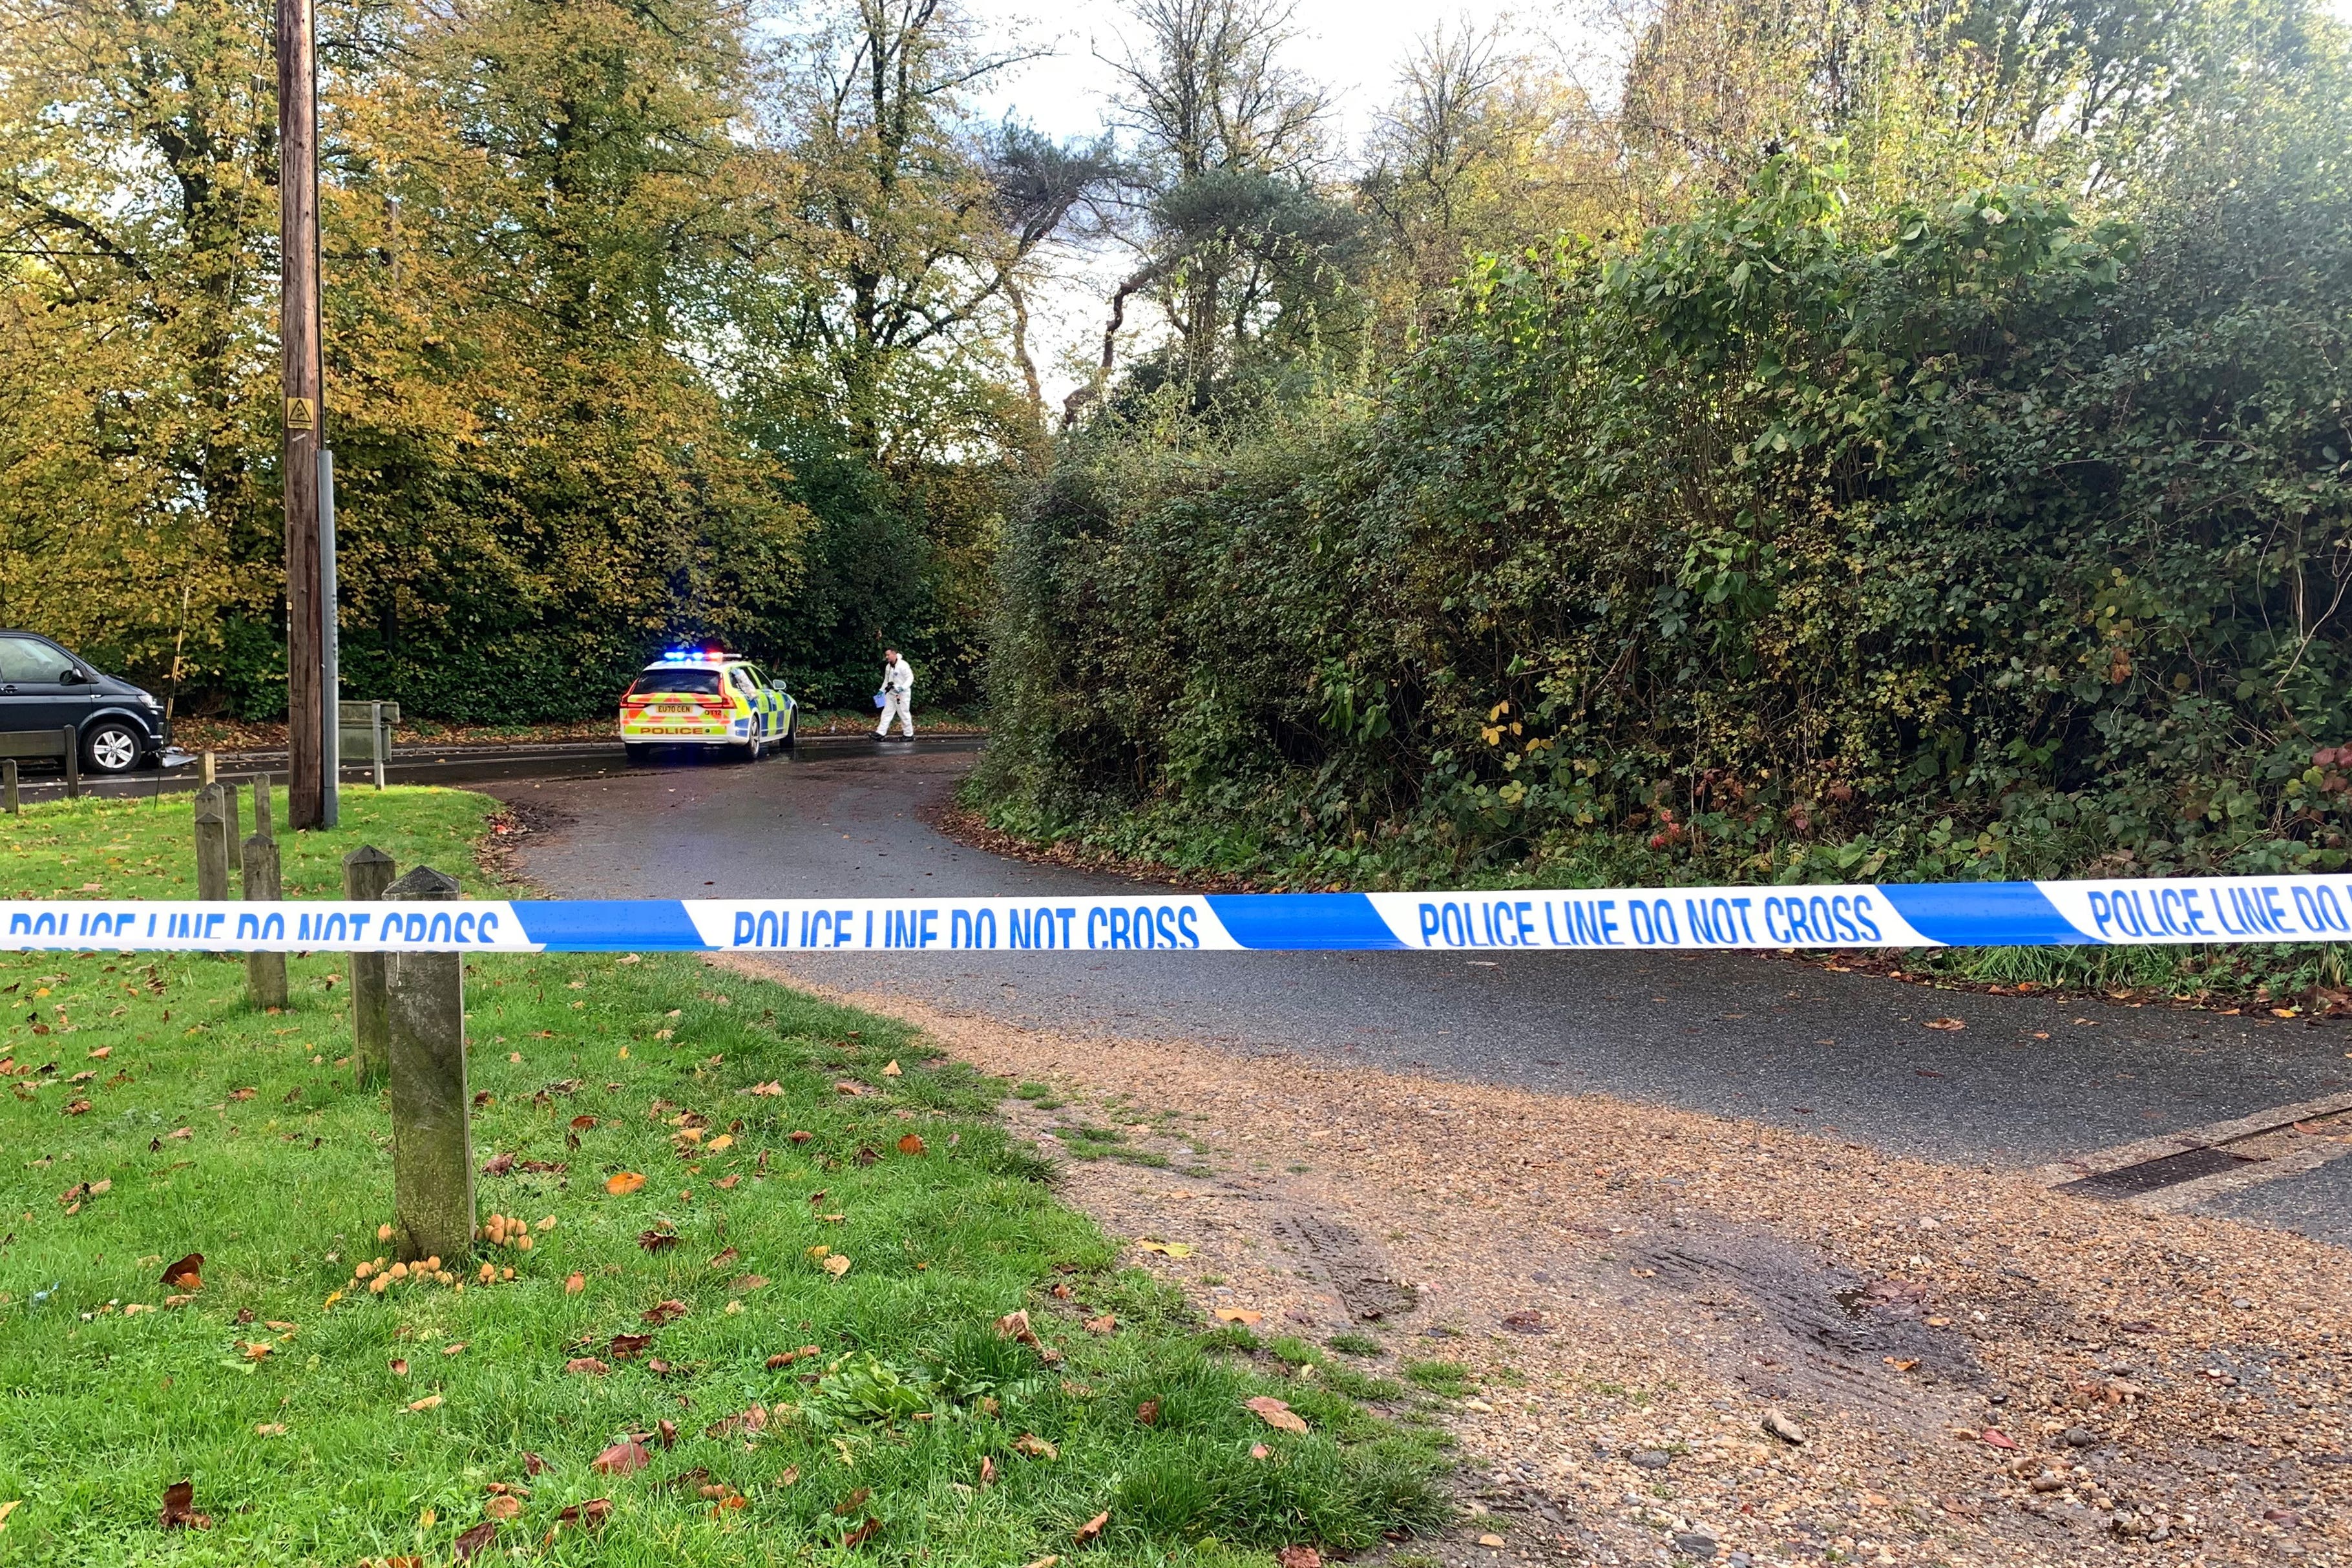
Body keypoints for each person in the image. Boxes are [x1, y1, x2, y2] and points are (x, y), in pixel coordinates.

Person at [875, 649, 915, 738]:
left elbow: (910, 678)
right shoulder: (888, 667)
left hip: (902, 694)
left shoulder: (903, 665)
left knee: (904, 713)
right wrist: (882, 690)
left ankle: (909, 734)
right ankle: (880, 733)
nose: (887, 657)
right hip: (891, 693)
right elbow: (887, 680)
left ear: (894, 654)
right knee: (886, 713)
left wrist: (902, 688)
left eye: (888, 655)